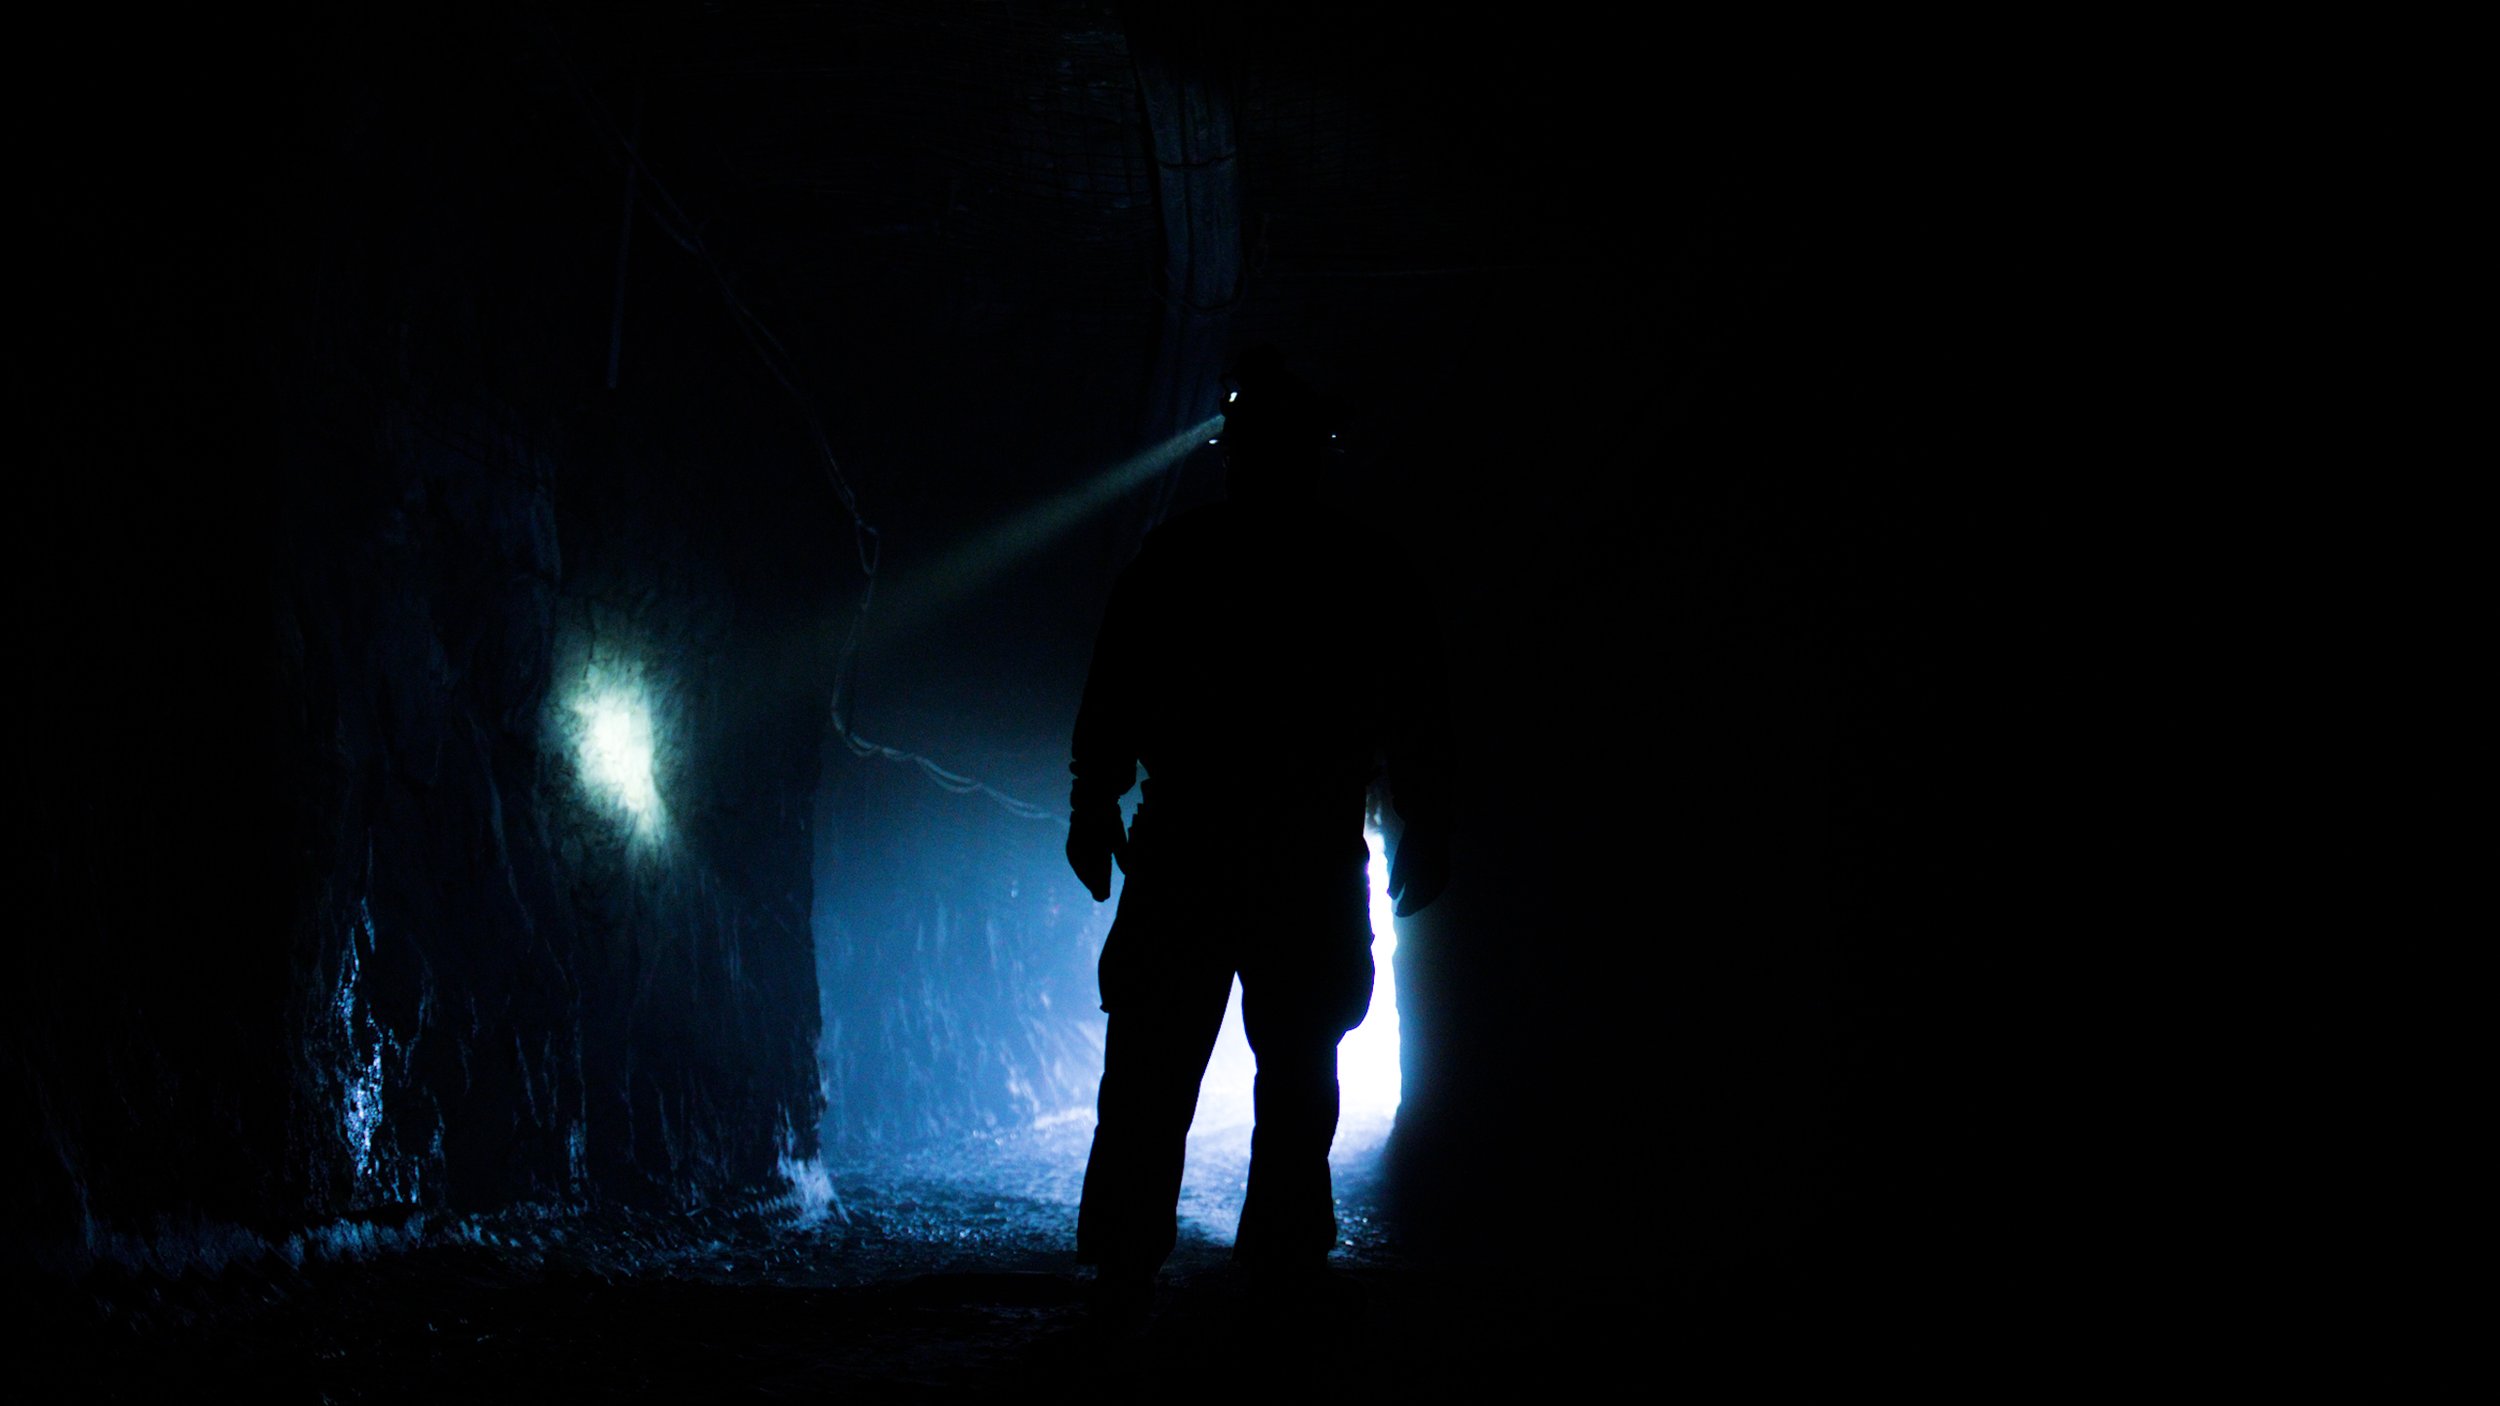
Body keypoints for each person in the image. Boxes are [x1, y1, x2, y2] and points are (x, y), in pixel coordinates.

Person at [1064, 346, 1454, 1317]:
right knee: (1293, 1062)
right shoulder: (1362, 568)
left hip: (1195, 842)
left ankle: (1127, 1251)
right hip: (1302, 853)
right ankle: (1277, 1252)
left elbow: (1115, 689)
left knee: (1160, 1061)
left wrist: (1093, 800)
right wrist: (1424, 814)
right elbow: (1415, 703)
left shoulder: (1179, 559)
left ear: (1229, 452)